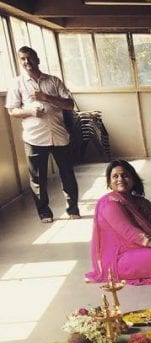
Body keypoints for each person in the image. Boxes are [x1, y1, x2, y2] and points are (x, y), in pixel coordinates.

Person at [5, 46, 79, 223]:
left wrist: (46, 97)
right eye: (22, 59)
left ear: (37, 59)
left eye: (30, 58)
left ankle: (73, 209)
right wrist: (30, 111)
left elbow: (69, 105)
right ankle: (44, 212)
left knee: (67, 174)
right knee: (38, 179)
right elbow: (12, 111)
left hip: (60, 136)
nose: (27, 62)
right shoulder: (17, 83)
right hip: (34, 138)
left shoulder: (53, 81)